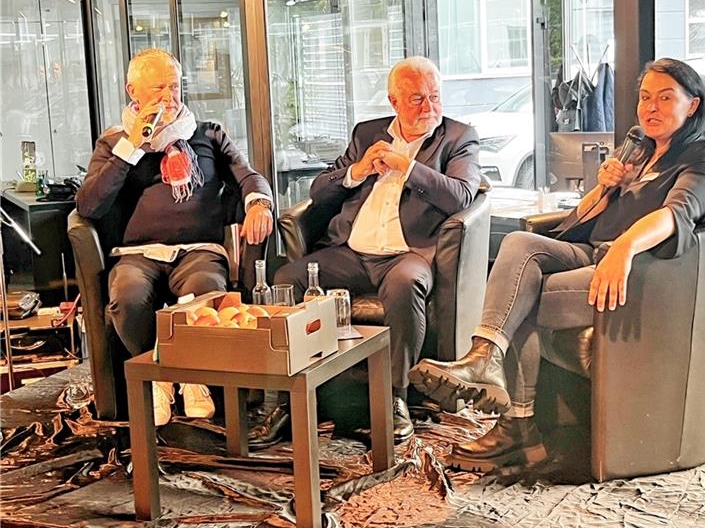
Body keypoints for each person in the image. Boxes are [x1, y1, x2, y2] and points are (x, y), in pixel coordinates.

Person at [409, 57, 705, 471]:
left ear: (692, 105)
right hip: (591, 251)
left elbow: (676, 213)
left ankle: (518, 429)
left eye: (665, 98)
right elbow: (583, 216)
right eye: (645, 97)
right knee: (519, 243)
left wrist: (624, 249)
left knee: (525, 296)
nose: (651, 107)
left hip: (640, 272)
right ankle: (483, 356)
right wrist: (605, 185)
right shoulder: (642, 147)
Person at [274, 56, 481, 442]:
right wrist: (358, 172)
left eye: (435, 96)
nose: (429, 108)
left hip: (407, 255)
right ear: (394, 102)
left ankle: (396, 396)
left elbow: (461, 195)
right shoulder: (367, 134)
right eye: (417, 99)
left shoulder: (457, 138)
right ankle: (291, 396)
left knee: (405, 285)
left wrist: (407, 167)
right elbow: (319, 192)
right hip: (350, 252)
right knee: (286, 279)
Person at [77, 48, 274, 426]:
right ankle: (164, 375)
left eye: (174, 87)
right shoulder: (114, 143)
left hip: (199, 249)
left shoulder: (207, 134)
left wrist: (258, 202)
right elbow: (89, 205)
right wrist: (132, 146)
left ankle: (190, 376)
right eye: (157, 90)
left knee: (205, 290)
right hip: (137, 252)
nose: (168, 98)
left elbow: (248, 175)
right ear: (133, 91)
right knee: (126, 300)